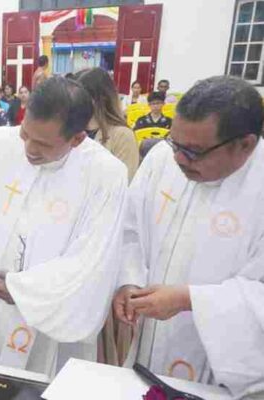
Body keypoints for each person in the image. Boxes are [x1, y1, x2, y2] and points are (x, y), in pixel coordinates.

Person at [0, 77, 127, 377]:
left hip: (48, 310)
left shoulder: (105, 174)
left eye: (43, 144)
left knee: (40, 382)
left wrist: (26, 290)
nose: (29, 150)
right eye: (26, 135)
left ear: (76, 139)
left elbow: (94, 256)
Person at [113, 76, 264, 398]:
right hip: (149, 348)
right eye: (175, 143)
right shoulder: (160, 161)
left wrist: (189, 299)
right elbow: (130, 230)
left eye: (194, 151)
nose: (179, 159)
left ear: (246, 145)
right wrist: (128, 281)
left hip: (223, 371)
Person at [76, 68, 139, 180]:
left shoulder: (123, 135)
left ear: (101, 98)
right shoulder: (73, 130)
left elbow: (126, 181)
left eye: (83, 96)